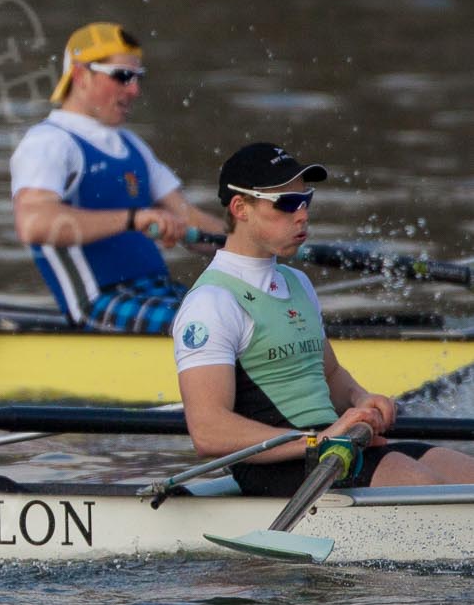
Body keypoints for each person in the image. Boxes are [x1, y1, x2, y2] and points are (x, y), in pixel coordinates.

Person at [172, 143, 474, 495]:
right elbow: (208, 431)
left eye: (306, 201)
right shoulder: (212, 303)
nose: (301, 215)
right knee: (417, 482)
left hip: (332, 448)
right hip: (274, 466)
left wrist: (362, 400)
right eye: (286, 204)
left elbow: (329, 373)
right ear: (241, 208)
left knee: (462, 471)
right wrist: (318, 440)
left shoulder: (296, 282)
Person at [11, 22, 225, 332]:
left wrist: (252, 243)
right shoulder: (49, 142)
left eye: (138, 78)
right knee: (221, 327)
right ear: (82, 75)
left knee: (251, 313)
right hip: (100, 304)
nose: (134, 90)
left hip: (158, 292)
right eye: (122, 77)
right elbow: (33, 224)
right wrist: (132, 219)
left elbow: (187, 217)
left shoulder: (132, 146)